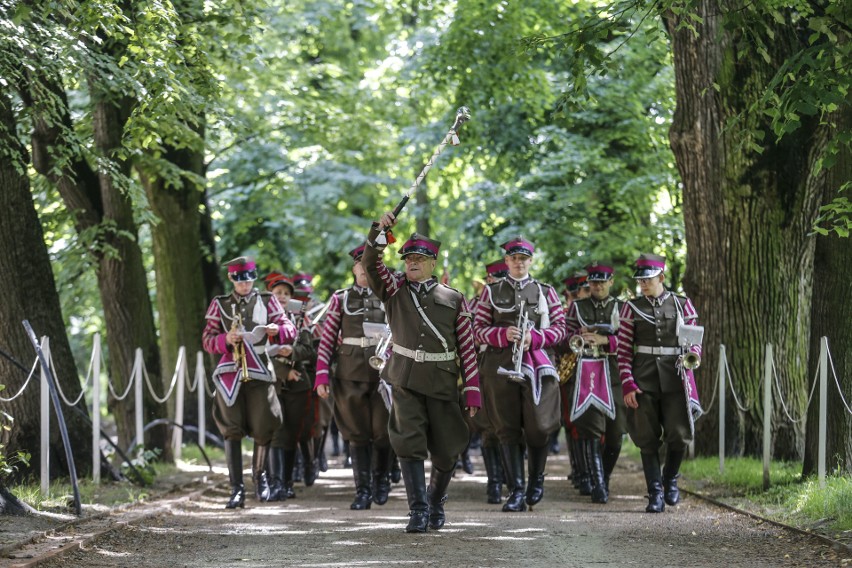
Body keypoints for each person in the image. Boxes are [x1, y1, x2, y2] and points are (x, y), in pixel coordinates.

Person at [363, 213, 481, 533]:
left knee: (448, 449)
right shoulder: (394, 290)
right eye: (408, 258)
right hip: (404, 378)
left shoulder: (454, 298)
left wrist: (472, 389)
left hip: (442, 380)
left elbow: (467, 348)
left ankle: (435, 500)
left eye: (419, 258)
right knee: (408, 442)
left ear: (433, 263)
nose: (412, 263)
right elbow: (371, 263)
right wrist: (379, 231)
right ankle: (417, 510)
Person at [473, 237, 567, 512]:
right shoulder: (491, 292)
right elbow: (477, 329)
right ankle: (515, 491)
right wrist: (502, 334)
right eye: (514, 258)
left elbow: (561, 329)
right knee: (506, 429)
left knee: (539, 426)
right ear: (507, 261)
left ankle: (536, 481)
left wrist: (534, 337)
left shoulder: (545, 292)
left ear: (530, 261)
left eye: (523, 258)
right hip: (499, 366)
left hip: (537, 365)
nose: (519, 262)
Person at [202, 257, 297, 509]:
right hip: (230, 372)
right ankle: (236, 489)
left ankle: (260, 477)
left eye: (248, 279)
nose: (244, 284)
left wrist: (277, 329)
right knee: (230, 428)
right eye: (239, 280)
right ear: (232, 279)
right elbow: (207, 339)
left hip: (260, 371)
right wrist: (226, 338)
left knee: (264, 424)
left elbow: (290, 328)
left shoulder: (267, 300)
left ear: (254, 277)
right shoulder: (219, 304)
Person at [616, 253, 703, 513]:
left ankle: (670, 480)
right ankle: (655, 493)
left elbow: (694, 340)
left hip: (676, 378)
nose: (643, 284)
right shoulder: (630, 308)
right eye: (640, 281)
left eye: (648, 280)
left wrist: (694, 354)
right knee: (646, 437)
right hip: (643, 377)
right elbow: (622, 351)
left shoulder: (681, 304)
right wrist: (628, 384)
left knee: (679, 434)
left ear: (661, 278)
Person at [315, 242, 393, 510]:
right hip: (349, 374)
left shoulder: (391, 295)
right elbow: (326, 340)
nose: (365, 270)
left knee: (383, 431)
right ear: (354, 268)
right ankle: (362, 491)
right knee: (357, 434)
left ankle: (381, 481)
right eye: (361, 266)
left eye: (370, 265)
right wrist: (322, 376)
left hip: (384, 373)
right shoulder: (341, 298)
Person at [564, 262, 625, 504]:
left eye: (602, 281)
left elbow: (630, 340)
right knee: (590, 431)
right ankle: (598, 484)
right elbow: (565, 336)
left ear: (611, 282)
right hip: (586, 373)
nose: (597, 285)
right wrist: (578, 338)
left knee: (616, 434)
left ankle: (605, 477)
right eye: (593, 281)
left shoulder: (622, 307)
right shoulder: (576, 307)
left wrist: (605, 340)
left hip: (613, 374)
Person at [466, 259, 509, 504]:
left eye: (499, 278)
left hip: (512, 367)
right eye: (492, 279)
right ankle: (494, 483)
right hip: (485, 367)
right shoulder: (475, 304)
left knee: (511, 427)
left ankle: (509, 479)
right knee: (489, 428)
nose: (494, 282)